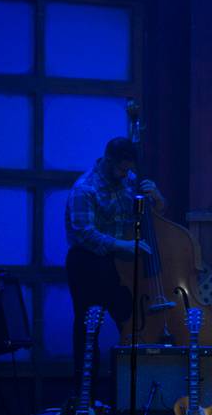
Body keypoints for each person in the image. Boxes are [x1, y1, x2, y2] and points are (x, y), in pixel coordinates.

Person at [64, 136, 164, 387]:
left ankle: (131, 388)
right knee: (89, 329)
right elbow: (84, 233)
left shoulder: (129, 181)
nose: (126, 173)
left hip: (122, 263)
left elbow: (152, 216)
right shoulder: (85, 188)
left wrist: (158, 199)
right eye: (122, 168)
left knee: (127, 319)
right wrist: (124, 246)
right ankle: (85, 395)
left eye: (129, 168)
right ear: (108, 160)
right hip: (89, 263)